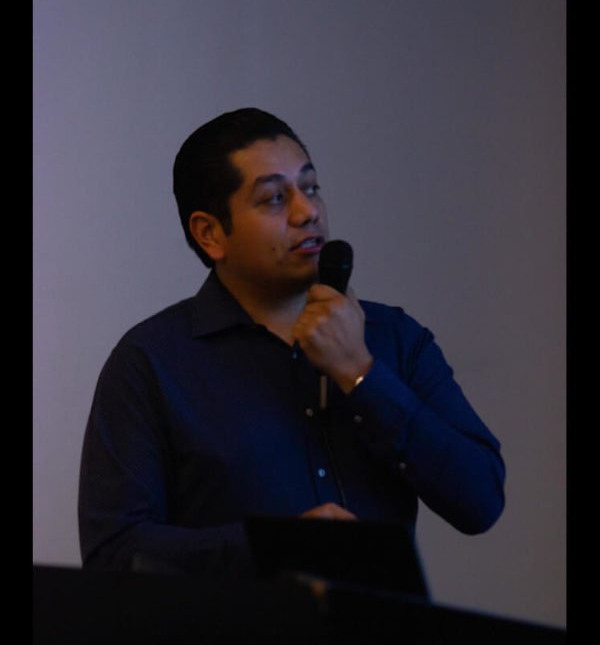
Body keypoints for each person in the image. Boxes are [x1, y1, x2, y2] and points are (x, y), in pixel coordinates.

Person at [78, 108, 505, 577]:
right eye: (275, 198)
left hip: (381, 624)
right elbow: (113, 553)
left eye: (312, 188)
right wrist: (274, 546)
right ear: (210, 234)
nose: (308, 212)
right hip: (236, 626)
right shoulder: (152, 363)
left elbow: (481, 501)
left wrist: (360, 373)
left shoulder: (395, 338)